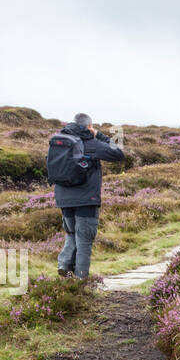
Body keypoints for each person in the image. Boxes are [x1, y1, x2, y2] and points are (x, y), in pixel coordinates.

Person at [50, 113, 125, 279]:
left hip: (63, 199)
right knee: (84, 241)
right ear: (89, 126)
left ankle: (64, 266)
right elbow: (118, 154)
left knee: (71, 235)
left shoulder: (60, 141)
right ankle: (81, 282)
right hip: (86, 200)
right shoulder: (91, 142)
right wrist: (99, 135)